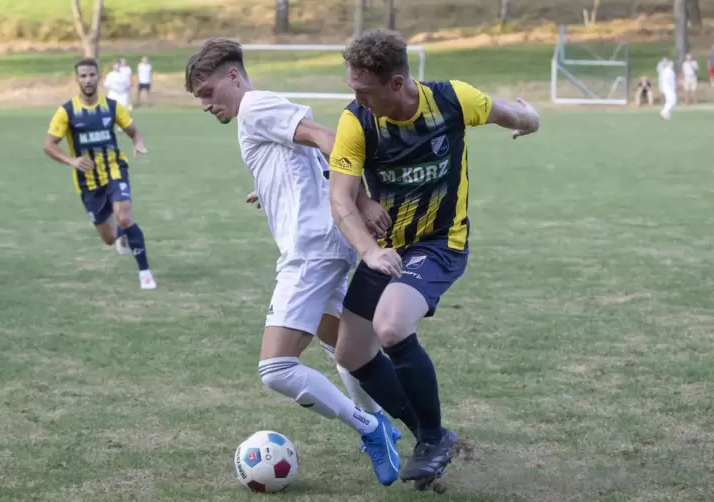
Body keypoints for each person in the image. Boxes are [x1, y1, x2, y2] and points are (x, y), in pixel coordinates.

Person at [184, 37, 403, 486]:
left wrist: (358, 201)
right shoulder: (260, 113)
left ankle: (371, 427)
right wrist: (268, 191)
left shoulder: (255, 107)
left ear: (233, 77)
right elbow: (305, 156)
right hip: (323, 242)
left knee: (276, 368)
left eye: (208, 92)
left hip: (312, 250)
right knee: (341, 344)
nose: (205, 105)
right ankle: (396, 421)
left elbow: (329, 140)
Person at [328, 30, 540, 488]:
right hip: (387, 248)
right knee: (351, 353)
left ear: (398, 82)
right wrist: (370, 250)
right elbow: (341, 198)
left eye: (364, 91)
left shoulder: (452, 100)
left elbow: (509, 113)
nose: (357, 99)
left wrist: (531, 119)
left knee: (391, 325)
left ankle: (430, 439)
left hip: (441, 243)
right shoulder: (357, 122)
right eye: (353, 89)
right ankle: (435, 434)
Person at [43, 57, 157, 290]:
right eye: (83, 76)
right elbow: (49, 145)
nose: (87, 80)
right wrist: (71, 160)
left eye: (92, 75)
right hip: (88, 182)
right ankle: (122, 236)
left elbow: (134, 132)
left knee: (124, 216)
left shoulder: (112, 106)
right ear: (77, 79)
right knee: (109, 238)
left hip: (115, 169)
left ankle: (145, 272)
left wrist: (138, 143)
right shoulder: (66, 112)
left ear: (98, 77)